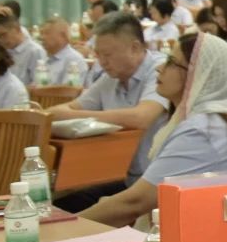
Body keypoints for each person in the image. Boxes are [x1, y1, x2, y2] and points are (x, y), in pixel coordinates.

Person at [77, 33, 227, 227]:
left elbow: (135, 203)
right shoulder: (205, 122)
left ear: (197, 74)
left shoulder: (202, 131)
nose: (159, 67)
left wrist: (64, 227)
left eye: (171, 62)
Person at [50, 14, 172, 209]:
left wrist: (75, 116)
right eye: (98, 55)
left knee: (85, 213)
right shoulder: (110, 78)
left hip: (158, 183)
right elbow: (59, 112)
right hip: (123, 177)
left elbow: (142, 117)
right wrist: (69, 114)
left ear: (135, 48)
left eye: (107, 55)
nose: (101, 62)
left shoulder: (161, 69)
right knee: (59, 206)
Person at [0, 13, 46, 85]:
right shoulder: (1, 53)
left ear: (17, 29)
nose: (1, 40)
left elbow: (40, 85)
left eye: (3, 34)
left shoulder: (35, 51)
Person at [36, 16, 88, 85]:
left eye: (47, 33)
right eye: (41, 33)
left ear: (63, 36)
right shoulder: (43, 58)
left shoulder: (75, 61)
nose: (42, 37)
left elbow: (69, 90)